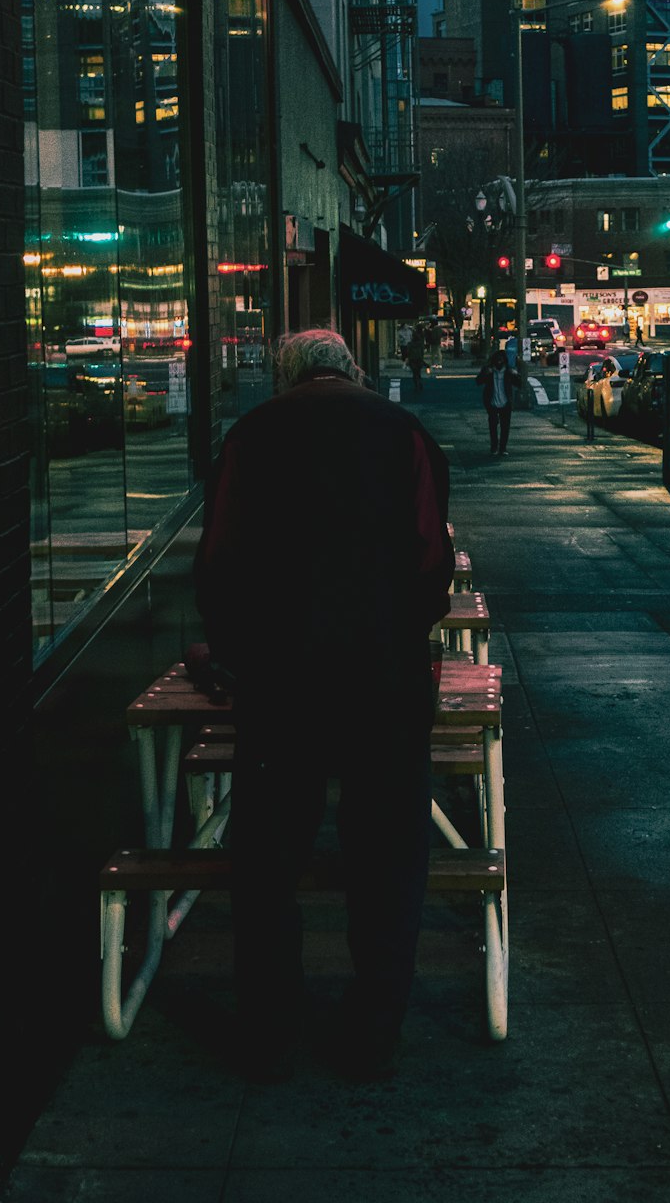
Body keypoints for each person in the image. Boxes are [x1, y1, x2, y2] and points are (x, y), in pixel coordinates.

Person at [193, 328, 454, 1082]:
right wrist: (403, 629)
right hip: (384, 681)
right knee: (388, 856)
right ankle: (374, 1029)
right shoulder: (402, 433)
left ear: (288, 374)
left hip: (283, 683)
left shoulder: (252, 434)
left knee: (267, 859)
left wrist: (237, 650)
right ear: (351, 369)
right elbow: (431, 558)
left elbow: (221, 560)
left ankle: (269, 1027)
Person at [476, 346, 517, 456]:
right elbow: (478, 381)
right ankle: (495, 447)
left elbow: (518, 384)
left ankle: (502, 448)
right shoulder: (489, 371)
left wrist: (516, 375)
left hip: (505, 402)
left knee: (504, 427)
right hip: (492, 402)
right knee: (493, 425)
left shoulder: (508, 372)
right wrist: (485, 373)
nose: (499, 363)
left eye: (501, 360)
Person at [406, 324, 426, 393]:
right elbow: (422, 352)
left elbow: (408, 352)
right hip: (419, 359)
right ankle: (419, 382)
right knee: (418, 372)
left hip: (412, 359)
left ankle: (416, 385)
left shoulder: (410, 344)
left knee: (414, 373)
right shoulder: (420, 344)